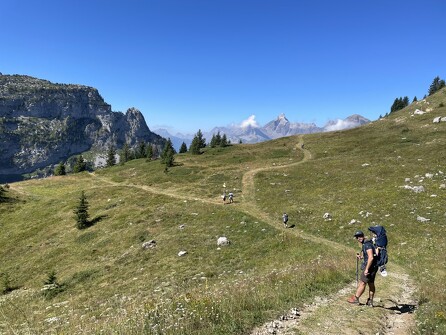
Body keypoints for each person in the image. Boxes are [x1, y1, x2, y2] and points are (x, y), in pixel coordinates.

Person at [347, 230, 378, 306]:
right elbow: (369, 255)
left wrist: (367, 269)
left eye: (360, 236)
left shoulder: (367, 244)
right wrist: (361, 257)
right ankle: (370, 301)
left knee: (362, 282)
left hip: (370, 267)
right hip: (374, 266)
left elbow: (370, 258)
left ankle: (356, 299)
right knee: (371, 283)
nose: (358, 238)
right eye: (357, 237)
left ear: (363, 236)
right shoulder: (367, 244)